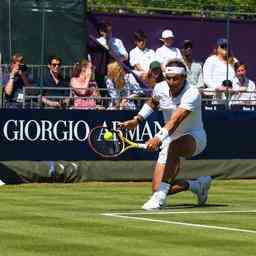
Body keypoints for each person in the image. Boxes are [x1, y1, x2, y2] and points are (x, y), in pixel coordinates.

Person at [120, 59, 212, 210]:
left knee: (173, 147)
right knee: (156, 187)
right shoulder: (160, 88)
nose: (171, 82)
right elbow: (153, 102)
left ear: (184, 78)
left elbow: (175, 120)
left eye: (175, 78)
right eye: (168, 78)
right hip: (170, 138)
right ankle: (197, 185)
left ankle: (160, 199)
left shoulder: (192, 93)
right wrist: (137, 120)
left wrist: (158, 138)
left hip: (195, 138)